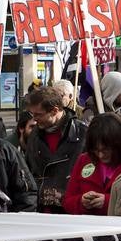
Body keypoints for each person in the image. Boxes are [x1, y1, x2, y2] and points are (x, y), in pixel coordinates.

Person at [22, 85, 87, 213]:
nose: (34, 119)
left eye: (38, 114)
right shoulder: (34, 134)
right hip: (42, 209)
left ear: (54, 111)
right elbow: (28, 171)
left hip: (72, 210)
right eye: (32, 114)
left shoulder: (83, 134)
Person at [63, 113, 121, 216]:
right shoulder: (84, 159)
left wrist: (108, 201)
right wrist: (82, 202)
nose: (101, 155)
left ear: (119, 144)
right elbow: (68, 202)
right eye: (96, 150)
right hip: (89, 228)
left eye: (105, 150)